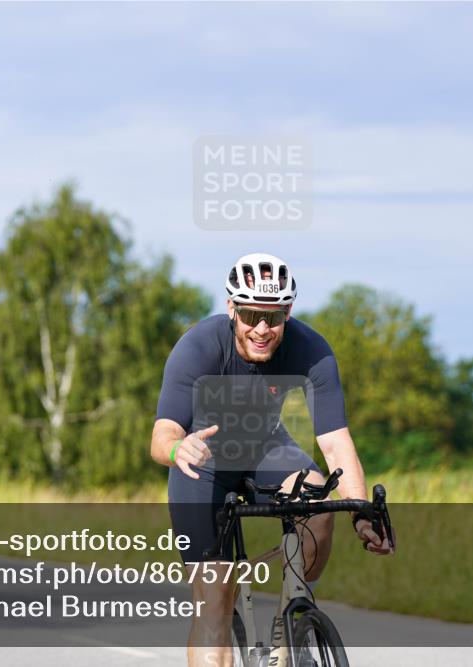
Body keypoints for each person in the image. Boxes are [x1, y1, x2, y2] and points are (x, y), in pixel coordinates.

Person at [150, 252, 392, 667]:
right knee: (214, 600)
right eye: (250, 315)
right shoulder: (198, 346)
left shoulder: (311, 348)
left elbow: (335, 444)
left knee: (318, 497)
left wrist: (361, 514)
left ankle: (291, 624)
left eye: (274, 318)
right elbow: (161, 436)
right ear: (231, 308)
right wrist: (177, 449)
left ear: (288, 312)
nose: (262, 329)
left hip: (266, 448)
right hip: (203, 462)